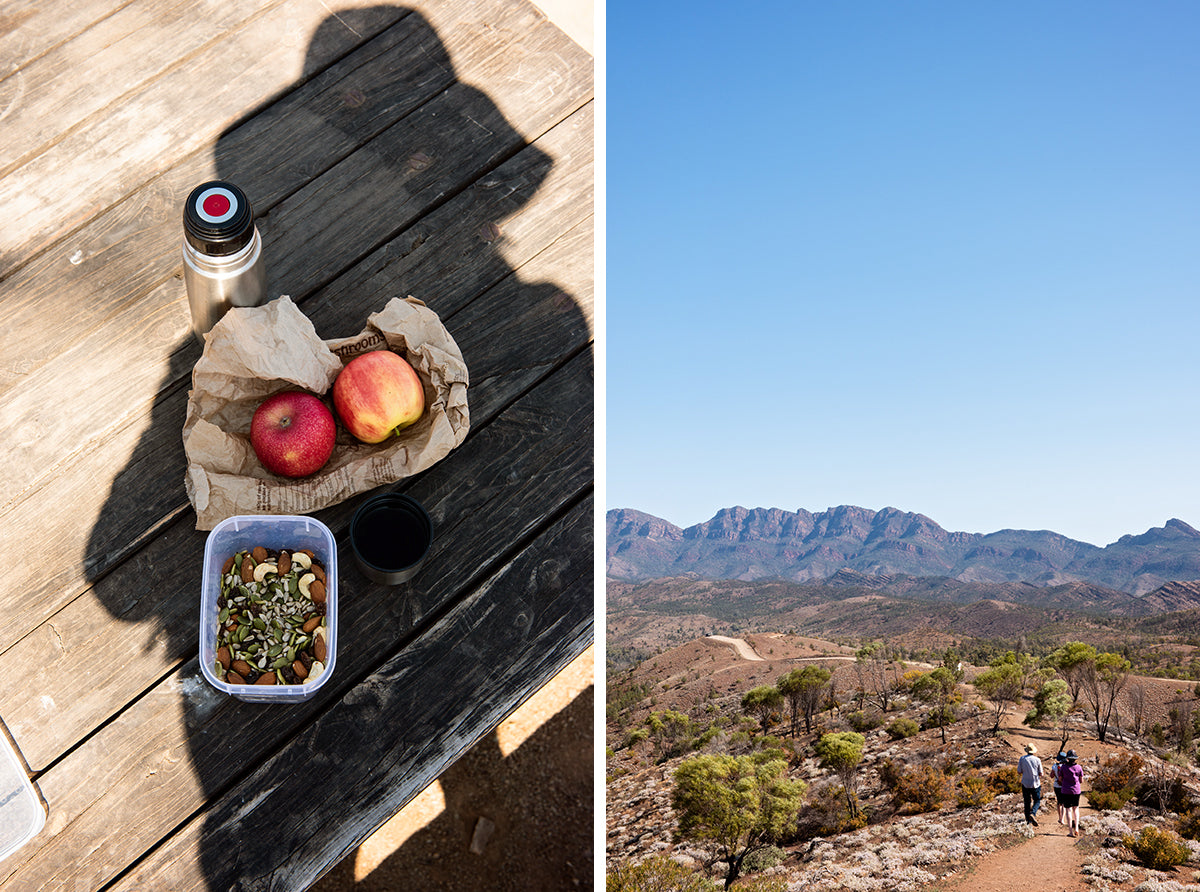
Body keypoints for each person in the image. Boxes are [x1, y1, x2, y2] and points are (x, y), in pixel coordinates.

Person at [1059, 749, 1085, 837]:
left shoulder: (1063, 767)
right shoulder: (1079, 767)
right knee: (1076, 809)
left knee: (1068, 810)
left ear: (1068, 758)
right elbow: (1081, 780)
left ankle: (1070, 831)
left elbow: (1060, 779)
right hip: (1076, 791)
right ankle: (1076, 828)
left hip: (1066, 791)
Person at [1018, 743, 1043, 827]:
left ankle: (1028, 821)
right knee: (1037, 800)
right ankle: (1033, 813)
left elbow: (1019, 771)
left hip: (1025, 783)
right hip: (1035, 783)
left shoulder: (1022, 759)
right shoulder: (1037, 759)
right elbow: (1041, 773)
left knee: (1027, 801)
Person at [1051, 751, 1067, 825]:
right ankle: (1062, 819)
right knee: (1064, 802)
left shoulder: (1054, 766)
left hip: (1056, 785)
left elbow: (1051, 775)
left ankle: (1059, 817)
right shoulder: (1066, 766)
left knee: (1059, 802)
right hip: (1064, 785)